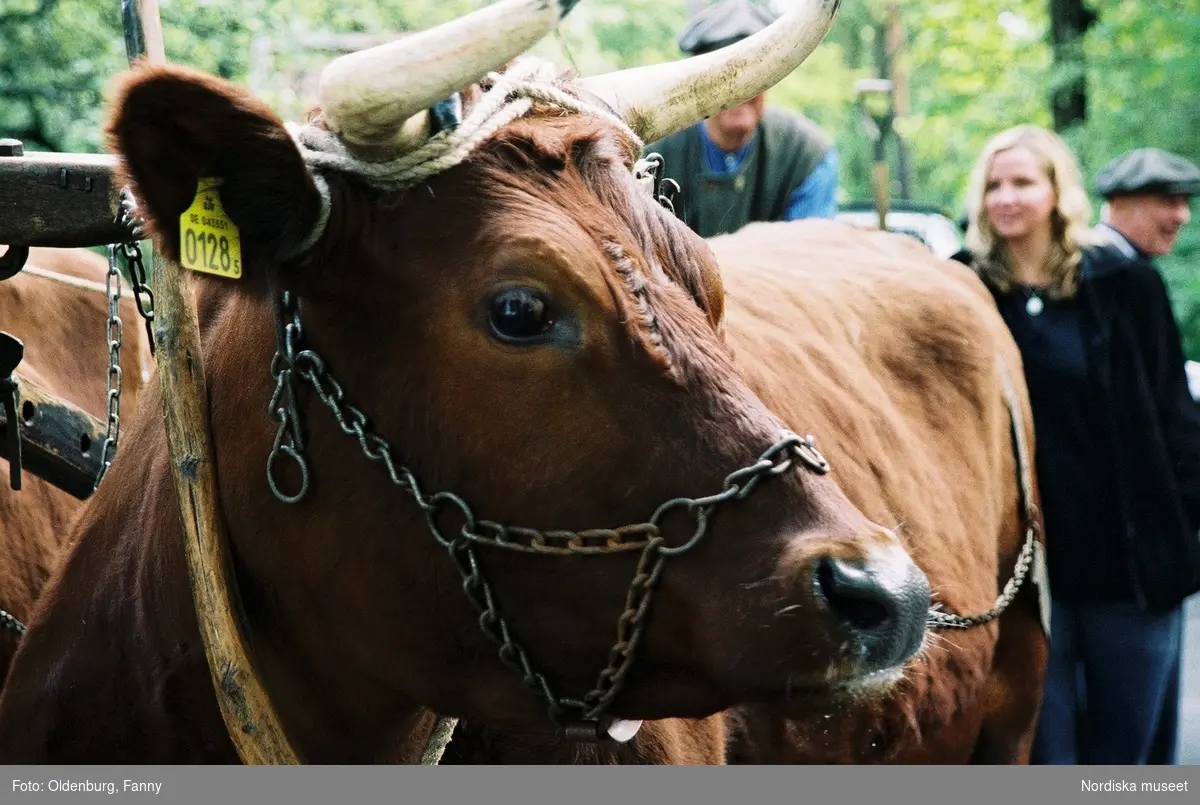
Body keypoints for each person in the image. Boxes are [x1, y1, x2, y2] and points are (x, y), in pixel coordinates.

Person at [952, 124, 1200, 765]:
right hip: (1027, 574)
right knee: (1045, 755)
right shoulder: (963, 289)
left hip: (1129, 565)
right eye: (994, 185)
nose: (1005, 197)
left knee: (1129, 756)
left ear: (1058, 192)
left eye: (1023, 183)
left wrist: (1188, 531)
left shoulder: (1122, 282)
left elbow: (1175, 415)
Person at [1090, 147, 1200, 765]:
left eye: (1184, 201)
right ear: (1121, 203)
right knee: (1131, 741)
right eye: (1167, 199)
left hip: (1144, 543)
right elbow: (1158, 417)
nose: (1180, 215)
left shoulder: (1128, 272)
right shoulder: (1121, 279)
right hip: (1130, 551)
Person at [642, 0, 838, 238]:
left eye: (753, 76)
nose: (740, 91)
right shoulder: (654, 160)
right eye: (724, 78)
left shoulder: (805, 155)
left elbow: (807, 253)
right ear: (698, 84)